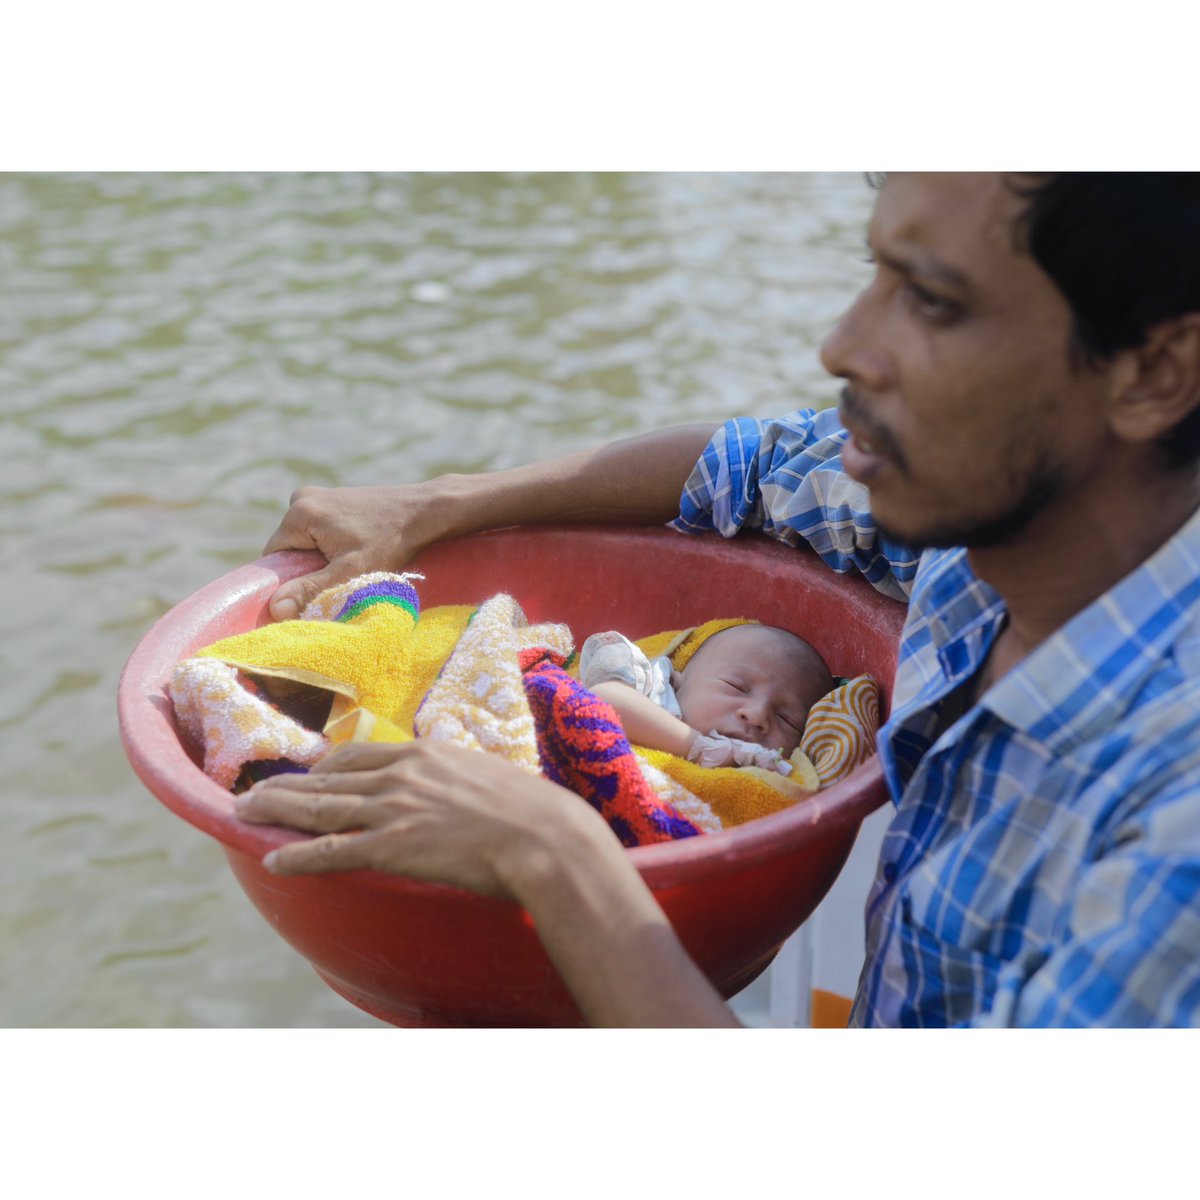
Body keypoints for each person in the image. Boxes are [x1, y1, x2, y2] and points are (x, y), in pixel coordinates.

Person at [235, 173, 1200, 1027]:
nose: (843, 345)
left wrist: (563, 868)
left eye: (934, 301)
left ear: (1155, 373)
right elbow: (759, 464)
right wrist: (428, 506)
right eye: (876, 272)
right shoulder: (969, 545)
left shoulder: (1174, 826)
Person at [579, 622, 833, 774]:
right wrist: (698, 747)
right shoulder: (650, 687)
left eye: (787, 720)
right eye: (736, 687)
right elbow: (602, 699)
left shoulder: (769, 782)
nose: (756, 715)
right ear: (678, 681)